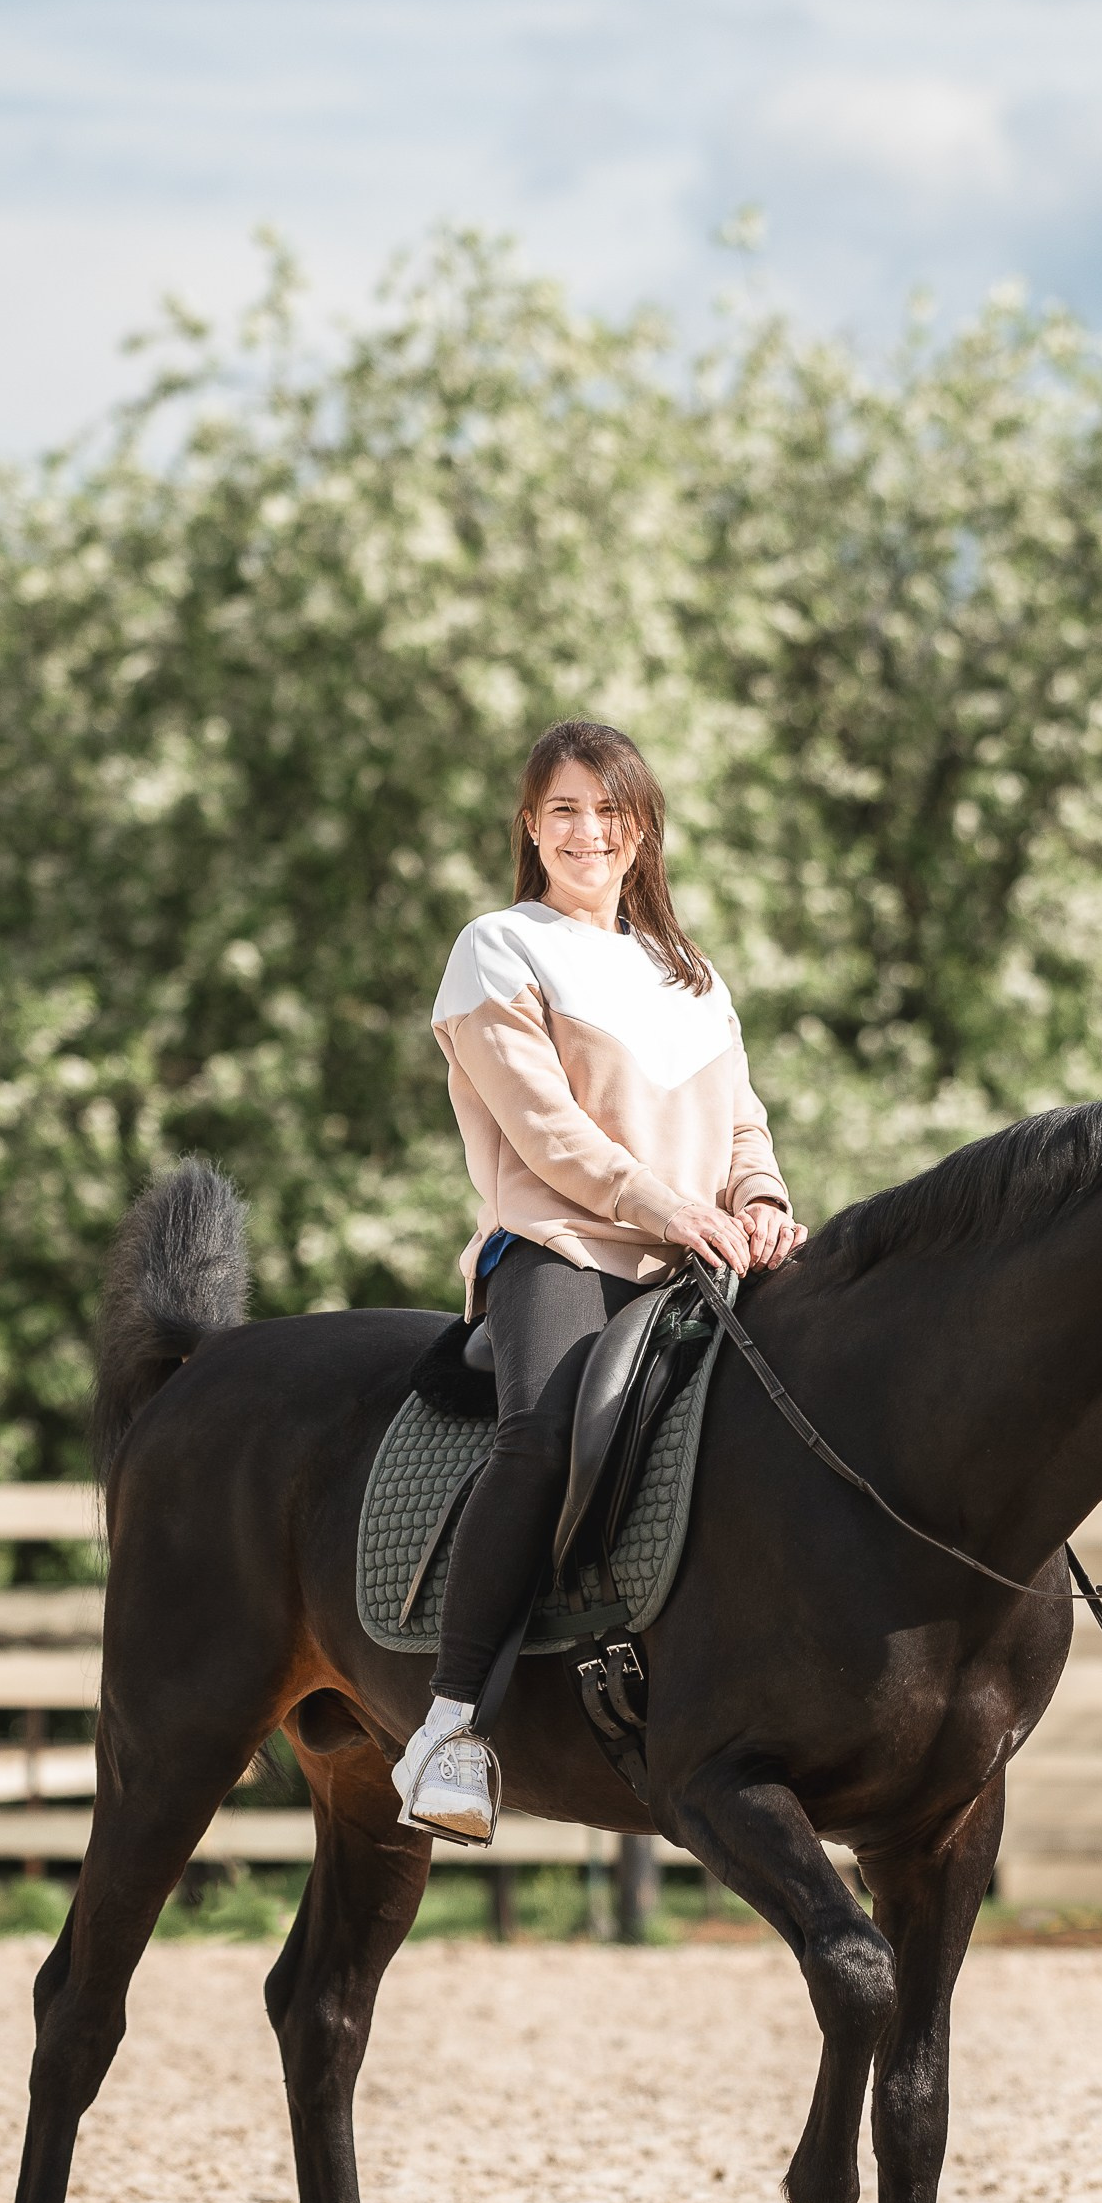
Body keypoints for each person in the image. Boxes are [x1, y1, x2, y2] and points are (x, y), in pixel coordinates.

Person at [390, 719, 805, 1842]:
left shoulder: (690, 975)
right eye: (563, 811)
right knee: (545, 1429)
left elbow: (741, 1120)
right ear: (531, 827)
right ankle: (448, 1725)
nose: (587, 832)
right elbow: (544, 1130)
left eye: (607, 812)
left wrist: (758, 1197)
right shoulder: (498, 947)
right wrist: (663, 1207)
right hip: (565, 1248)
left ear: (640, 832)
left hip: (703, 1254)